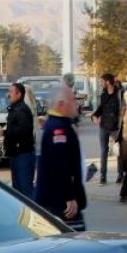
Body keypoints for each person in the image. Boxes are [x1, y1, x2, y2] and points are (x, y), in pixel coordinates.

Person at [34, 85, 86, 231]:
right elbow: (59, 166)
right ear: (61, 104)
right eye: (72, 100)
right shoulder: (58, 129)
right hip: (60, 203)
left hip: (59, 201)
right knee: (74, 244)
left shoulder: (61, 125)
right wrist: (69, 197)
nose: (76, 103)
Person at [87, 73, 122, 185]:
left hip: (116, 127)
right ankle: (103, 176)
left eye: (102, 82)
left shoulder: (119, 93)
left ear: (108, 82)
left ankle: (120, 174)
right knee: (103, 152)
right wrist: (94, 115)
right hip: (104, 127)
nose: (101, 84)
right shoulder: (103, 95)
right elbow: (101, 108)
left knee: (118, 151)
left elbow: (122, 109)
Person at [5, 82, 37, 197]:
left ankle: (34, 213)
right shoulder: (15, 109)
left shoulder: (21, 110)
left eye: (11, 92)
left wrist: (5, 132)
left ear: (19, 94)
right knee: (18, 192)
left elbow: (23, 131)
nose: (8, 95)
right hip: (16, 154)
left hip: (23, 154)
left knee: (26, 190)